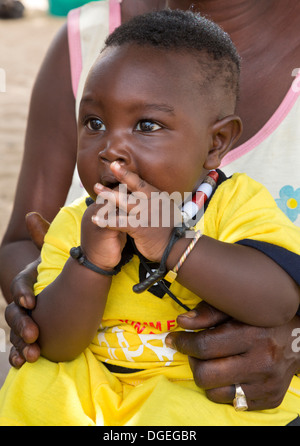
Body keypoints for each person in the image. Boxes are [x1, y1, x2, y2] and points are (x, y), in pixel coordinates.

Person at [1, 10, 300, 426]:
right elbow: (55, 345)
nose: (111, 149)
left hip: (191, 387)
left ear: (216, 143)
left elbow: (279, 301)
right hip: (101, 388)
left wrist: (170, 244)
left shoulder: (236, 204)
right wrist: (90, 263)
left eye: (146, 125)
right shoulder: (78, 223)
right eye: (95, 123)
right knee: (35, 389)